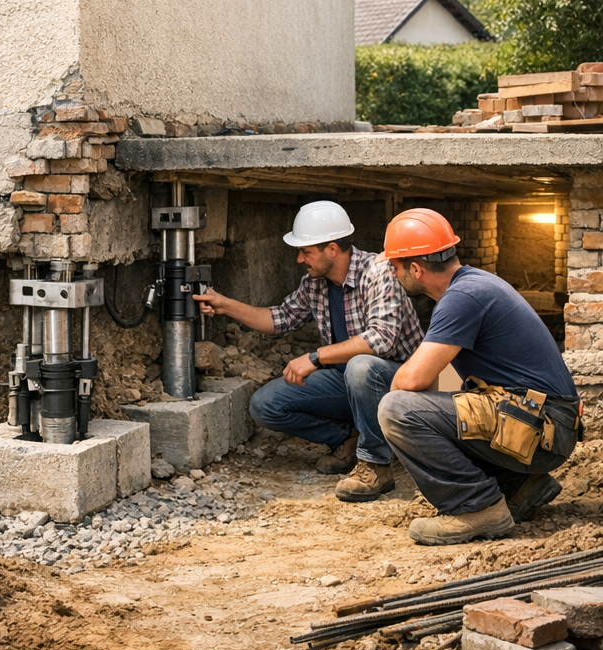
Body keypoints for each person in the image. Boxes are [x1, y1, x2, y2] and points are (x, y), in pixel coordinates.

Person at [377, 208, 582, 545]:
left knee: (397, 409)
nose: (393, 273)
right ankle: (520, 484)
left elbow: (410, 382)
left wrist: (400, 391)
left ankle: (477, 508)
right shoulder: (473, 284)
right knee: (439, 406)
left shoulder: (462, 298)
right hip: (543, 423)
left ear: (416, 268)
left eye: (395, 266)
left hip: (543, 428)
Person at [194, 200, 422, 502]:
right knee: (265, 404)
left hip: (399, 387)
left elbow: (381, 340)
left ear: (332, 249)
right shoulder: (315, 283)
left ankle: (376, 464)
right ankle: (348, 441)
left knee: (361, 366)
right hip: (348, 383)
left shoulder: (378, 273)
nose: (300, 259)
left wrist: (315, 357)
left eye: (306, 251)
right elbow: (279, 319)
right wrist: (225, 305)